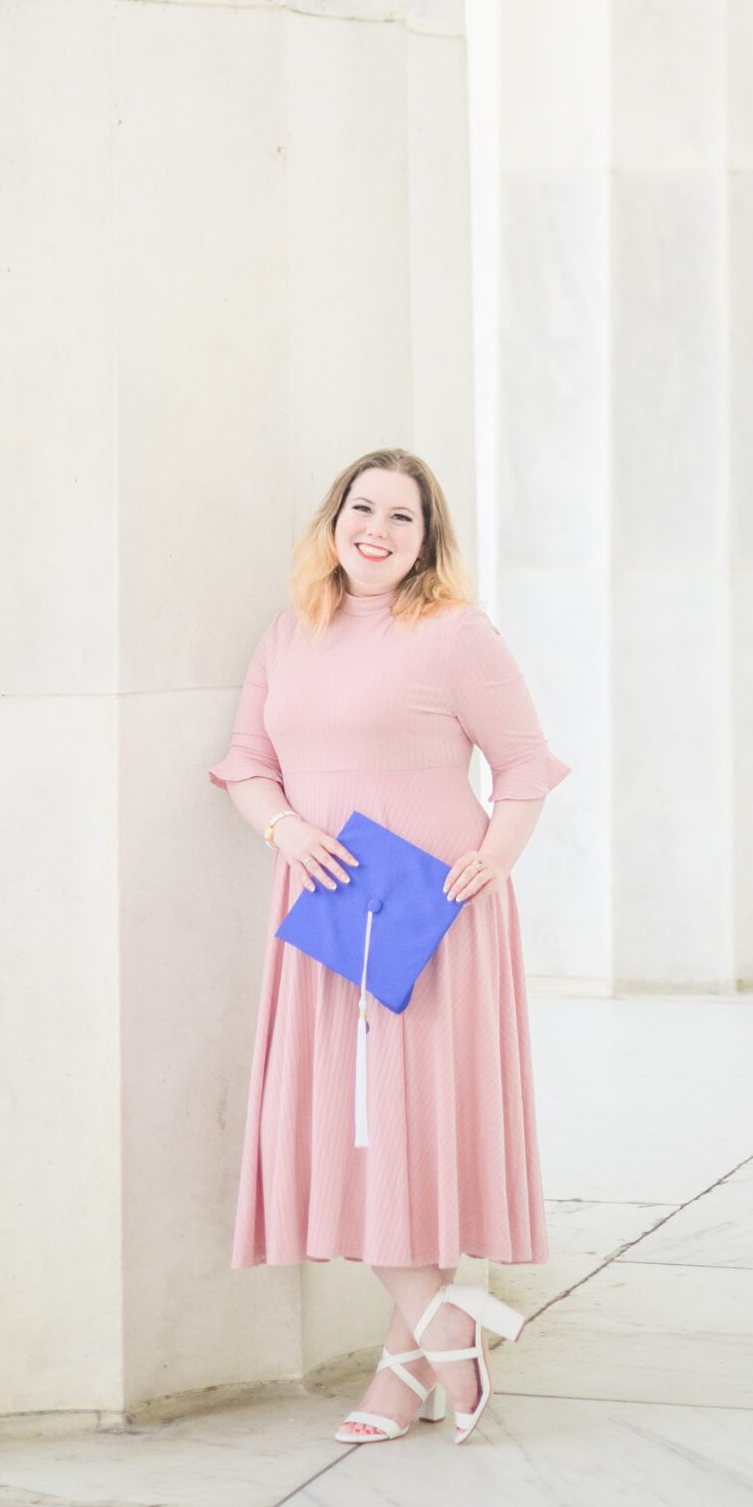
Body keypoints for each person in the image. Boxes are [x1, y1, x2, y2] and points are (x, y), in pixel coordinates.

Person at [209, 447, 571, 1445]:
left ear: (426, 540)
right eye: (360, 507)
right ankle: (436, 1332)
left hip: (428, 910)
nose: (375, 526)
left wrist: (496, 855)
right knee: (351, 1131)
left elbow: (523, 766)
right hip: (326, 913)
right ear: (333, 522)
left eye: (400, 516)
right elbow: (245, 765)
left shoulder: (455, 634)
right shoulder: (289, 634)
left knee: (403, 1128)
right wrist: (284, 829)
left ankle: (417, 1352)